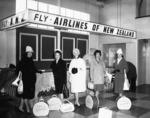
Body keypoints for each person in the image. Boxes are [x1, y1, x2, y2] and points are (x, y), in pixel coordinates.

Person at [16, 46, 42, 113]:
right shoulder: (22, 61)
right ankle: (27, 108)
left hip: (30, 81)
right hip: (24, 81)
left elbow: (33, 69)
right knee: (25, 95)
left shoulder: (31, 60)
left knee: (24, 95)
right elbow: (17, 71)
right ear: (26, 53)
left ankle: (20, 107)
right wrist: (21, 76)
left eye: (31, 52)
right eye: (29, 52)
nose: (30, 54)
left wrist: (39, 71)